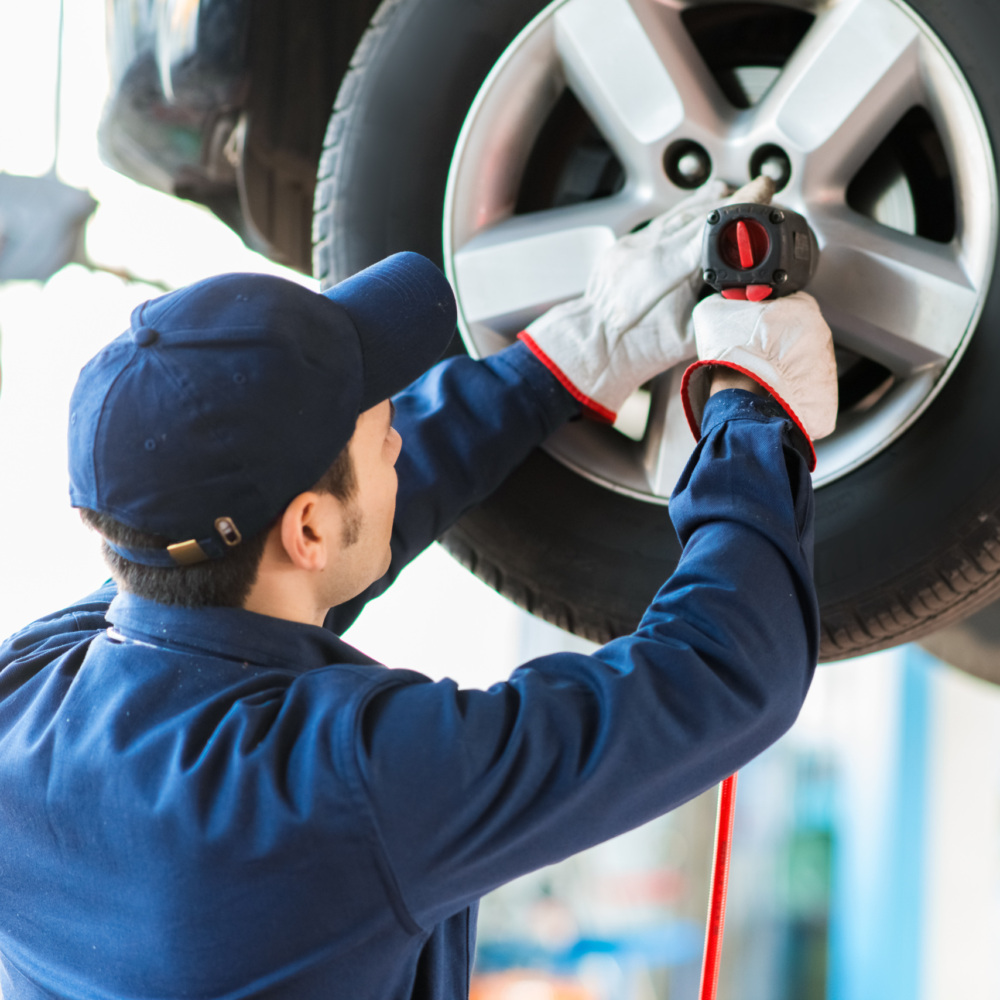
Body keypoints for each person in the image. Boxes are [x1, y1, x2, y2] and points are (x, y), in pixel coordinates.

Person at [0, 179, 836, 999]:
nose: (399, 435)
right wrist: (752, 410)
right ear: (308, 529)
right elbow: (725, 675)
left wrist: (563, 362)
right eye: (382, 429)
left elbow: (301, 559)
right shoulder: (338, 795)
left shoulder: (27, 693)